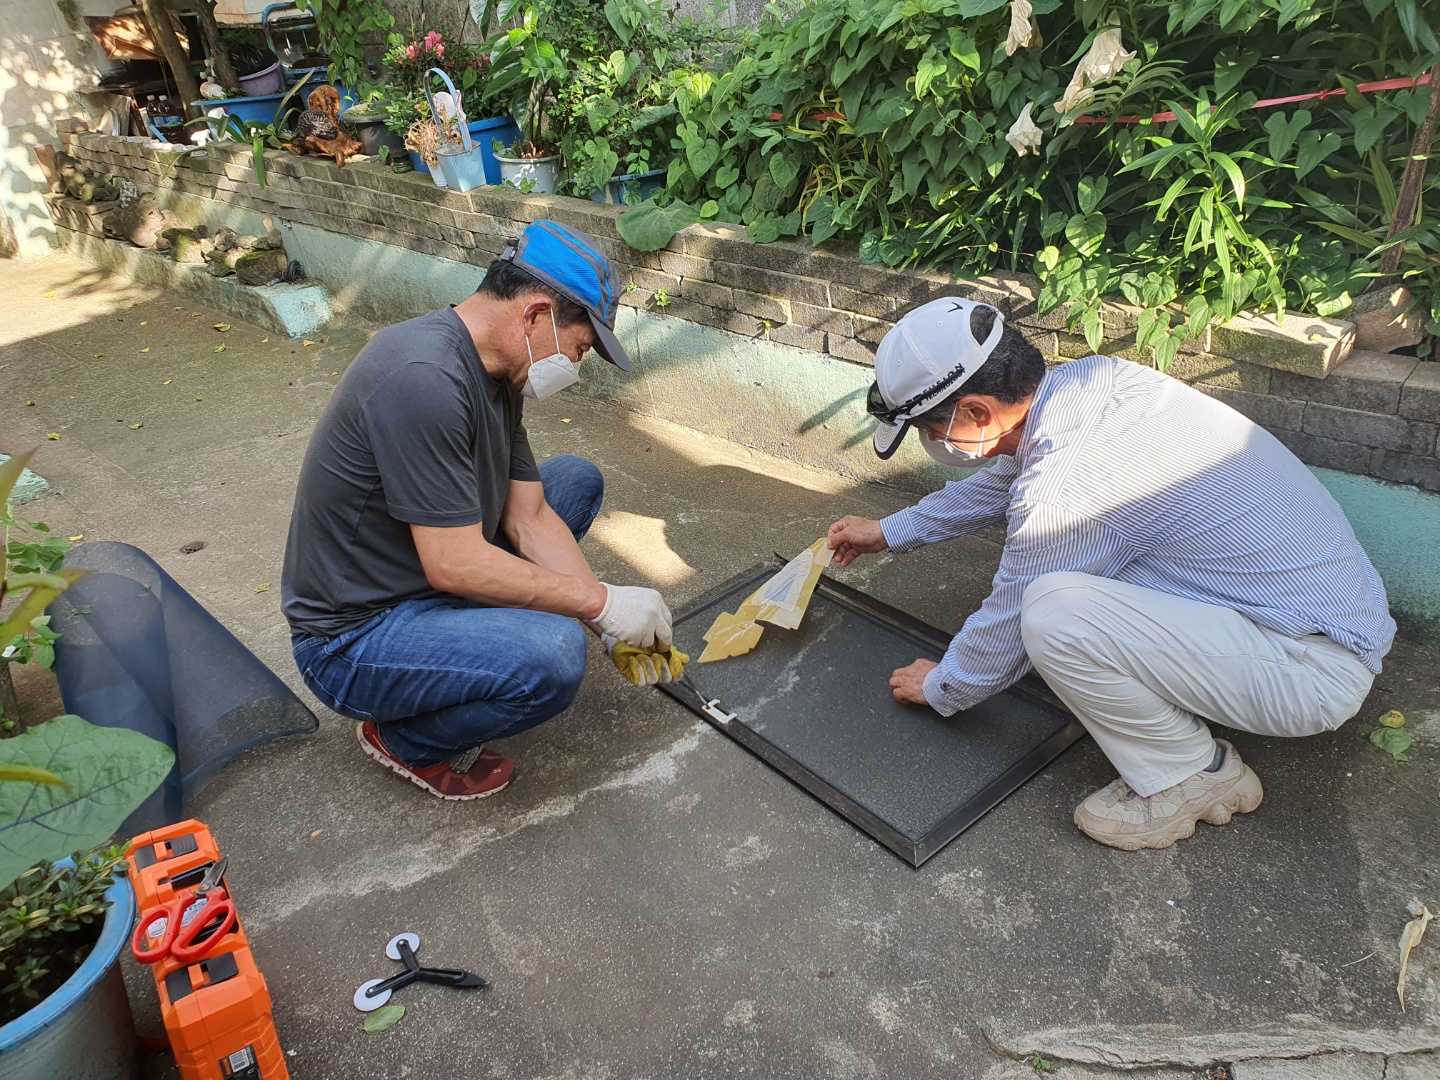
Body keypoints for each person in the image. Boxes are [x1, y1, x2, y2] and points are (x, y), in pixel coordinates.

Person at [827, 298, 1395, 851]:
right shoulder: (1092, 384)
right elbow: (1010, 480)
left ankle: (1191, 773)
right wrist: (891, 530)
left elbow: (1007, 619)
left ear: (978, 412)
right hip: (1324, 613)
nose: (934, 442)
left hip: (1312, 670)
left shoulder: (1068, 482)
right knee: (1068, 591)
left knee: (1050, 612)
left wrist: (944, 686)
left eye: (931, 429)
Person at [282, 221, 681, 801]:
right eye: (581, 346)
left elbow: (530, 517)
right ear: (536, 316)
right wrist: (599, 601)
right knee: (553, 656)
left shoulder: (496, 371)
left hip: (422, 570)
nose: (576, 363)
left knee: (573, 482)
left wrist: (602, 617)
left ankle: (474, 642)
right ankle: (409, 741)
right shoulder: (425, 379)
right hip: (354, 637)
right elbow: (455, 564)